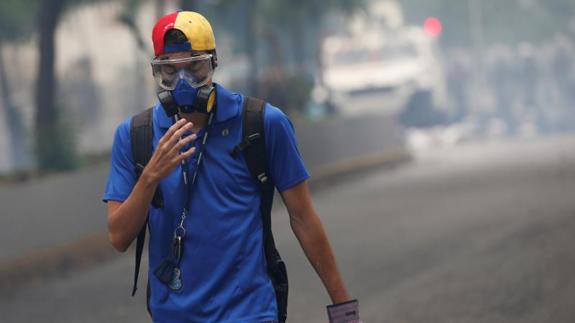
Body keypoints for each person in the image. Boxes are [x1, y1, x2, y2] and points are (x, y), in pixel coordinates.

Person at [103, 11, 359, 323]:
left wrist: (343, 309)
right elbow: (118, 237)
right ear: (157, 72)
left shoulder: (262, 124)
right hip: (173, 315)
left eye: (194, 66)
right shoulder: (134, 136)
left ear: (213, 62)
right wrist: (151, 176)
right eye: (170, 69)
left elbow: (303, 217)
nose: (182, 81)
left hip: (250, 312)